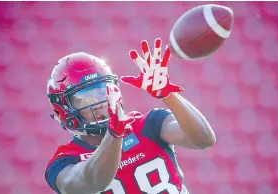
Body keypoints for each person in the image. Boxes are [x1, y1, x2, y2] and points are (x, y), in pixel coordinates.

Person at [45, 38, 216, 194]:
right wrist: (114, 134)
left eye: (102, 91)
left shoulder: (148, 125)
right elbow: (92, 182)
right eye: (85, 98)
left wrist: (168, 96)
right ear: (63, 109)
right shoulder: (63, 162)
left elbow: (203, 139)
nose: (99, 102)